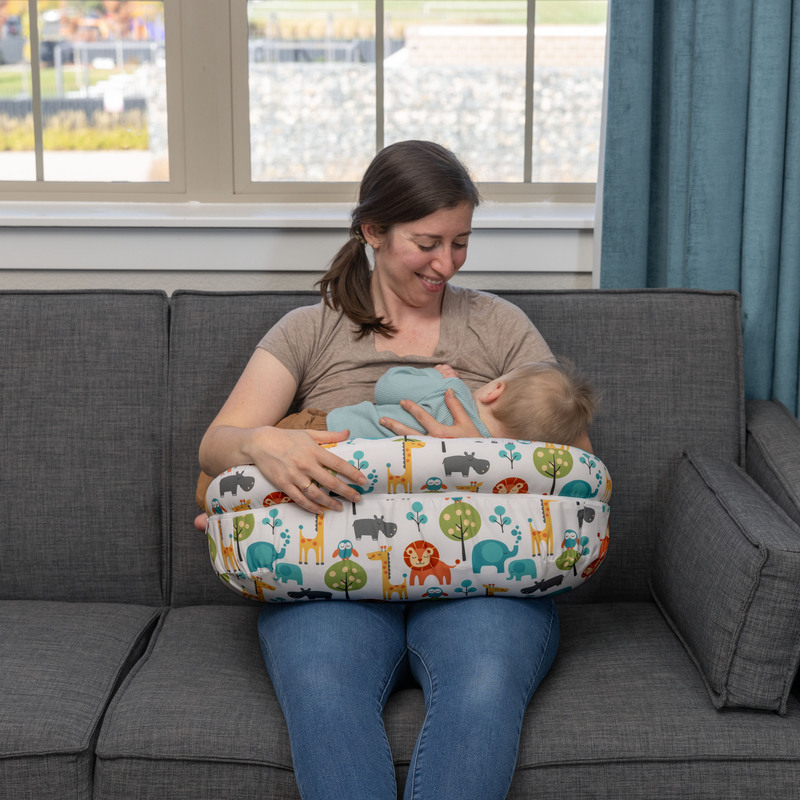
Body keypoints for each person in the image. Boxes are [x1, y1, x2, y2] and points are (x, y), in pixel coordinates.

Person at [198, 140, 563, 800]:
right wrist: (263, 445)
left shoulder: (501, 327)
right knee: (323, 689)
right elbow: (215, 445)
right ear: (373, 231)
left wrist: (482, 453)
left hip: (481, 582)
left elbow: (575, 459)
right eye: (427, 243)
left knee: (484, 684)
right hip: (332, 576)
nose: (446, 264)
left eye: (461, 243)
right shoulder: (310, 331)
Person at [280, 360, 596, 445]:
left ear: (494, 390)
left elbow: (386, 387)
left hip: (328, 430)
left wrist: (436, 376)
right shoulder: (499, 463)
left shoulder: (452, 392)